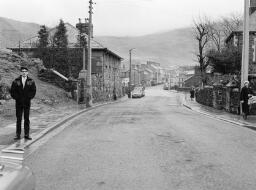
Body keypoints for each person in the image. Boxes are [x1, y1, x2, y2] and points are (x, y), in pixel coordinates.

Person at [10, 66, 36, 140]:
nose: (24, 72)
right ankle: (17, 134)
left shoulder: (31, 81)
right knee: (19, 119)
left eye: (25, 71)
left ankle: (27, 134)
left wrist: (28, 97)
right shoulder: (16, 81)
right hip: (18, 103)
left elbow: (33, 91)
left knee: (26, 118)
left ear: (27, 72)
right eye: (23, 71)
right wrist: (17, 98)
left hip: (27, 103)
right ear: (20, 72)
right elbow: (12, 91)